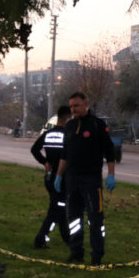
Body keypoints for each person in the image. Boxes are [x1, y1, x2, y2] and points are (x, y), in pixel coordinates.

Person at [54, 92, 116, 265]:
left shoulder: (97, 125)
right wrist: (59, 176)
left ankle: (97, 256)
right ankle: (76, 252)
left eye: (77, 105)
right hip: (72, 180)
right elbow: (64, 155)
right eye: (71, 106)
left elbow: (110, 152)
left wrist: (111, 175)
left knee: (95, 219)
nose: (73, 109)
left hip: (91, 180)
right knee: (73, 218)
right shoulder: (70, 126)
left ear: (86, 104)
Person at [30, 105, 71, 248]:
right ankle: (40, 239)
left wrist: (44, 162)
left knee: (59, 206)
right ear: (67, 118)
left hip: (49, 176)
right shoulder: (68, 135)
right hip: (62, 177)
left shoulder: (48, 134)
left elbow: (34, 149)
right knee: (56, 209)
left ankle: (67, 238)